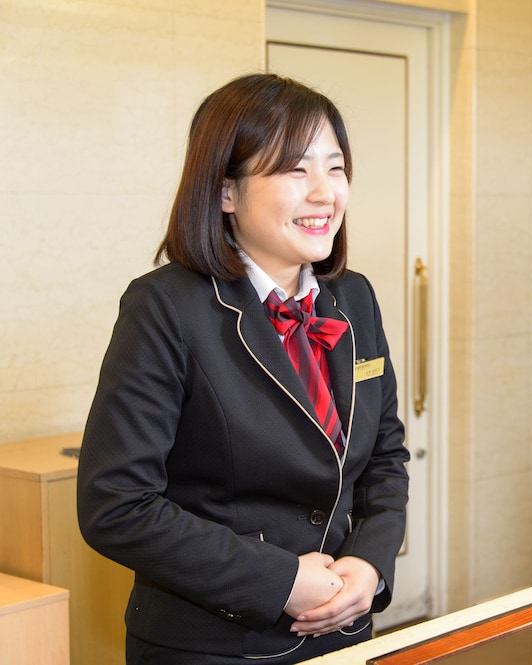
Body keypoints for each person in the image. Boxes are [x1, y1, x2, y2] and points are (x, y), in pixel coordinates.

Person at [76, 73, 410, 664]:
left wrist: (370, 563)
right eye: (295, 170)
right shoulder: (166, 306)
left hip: (344, 631)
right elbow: (117, 504)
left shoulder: (354, 297)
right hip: (214, 646)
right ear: (226, 191)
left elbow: (384, 457)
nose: (325, 193)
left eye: (335, 168)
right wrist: (279, 580)